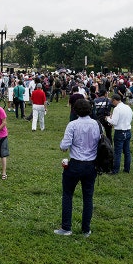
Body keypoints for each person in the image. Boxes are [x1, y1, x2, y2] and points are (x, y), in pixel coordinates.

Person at [55, 99, 100, 237]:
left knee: (68, 195)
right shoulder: (96, 124)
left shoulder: (73, 125)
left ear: (75, 111)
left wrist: (63, 146)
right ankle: (86, 229)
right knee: (88, 197)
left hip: (75, 164)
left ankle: (66, 227)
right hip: (91, 164)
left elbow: (64, 145)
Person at [106, 94, 132, 174]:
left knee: (117, 152)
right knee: (127, 151)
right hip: (127, 130)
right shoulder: (128, 107)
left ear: (114, 100)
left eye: (112, 101)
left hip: (120, 132)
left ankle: (115, 170)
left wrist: (107, 118)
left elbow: (114, 122)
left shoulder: (117, 109)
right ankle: (127, 169)